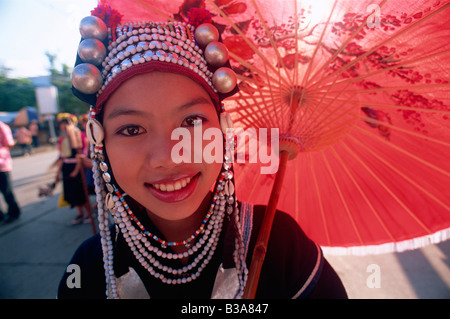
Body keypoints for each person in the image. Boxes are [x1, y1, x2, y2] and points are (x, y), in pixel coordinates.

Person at [58, 3, 347, 299]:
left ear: (223, 129)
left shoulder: (280, 243)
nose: (168, 157)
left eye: (192, 121)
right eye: (132, 129)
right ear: (101, 142)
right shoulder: (89, 269)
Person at [54, 113, 91, 225]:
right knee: (71, 193)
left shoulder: (80, 135)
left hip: (77, 166)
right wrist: (57, 173)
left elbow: (82, 154)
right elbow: (61, 156)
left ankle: (89, 213)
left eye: (66, 123)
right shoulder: (62, 139)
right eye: (61, 124)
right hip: (66, 167)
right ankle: (80, 213)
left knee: (80, 193)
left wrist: (76, 169)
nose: (63, 126)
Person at [0, 121, 21, 224]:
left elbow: (9, 144)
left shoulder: (2, 127)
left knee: (7, 191)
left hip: (2, 165)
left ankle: (14, 213)